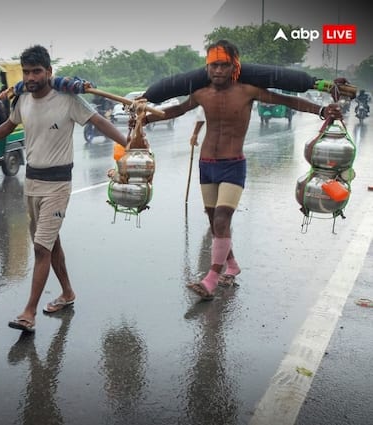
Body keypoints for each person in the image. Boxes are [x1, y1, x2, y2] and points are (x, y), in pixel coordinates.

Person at [142, 39, 343, 300]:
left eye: (224, 66)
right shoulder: (201, 93)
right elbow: (176, 110)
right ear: (207, 67)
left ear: (234, 67)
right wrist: (146, 116)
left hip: (233, 165)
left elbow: (288, 101)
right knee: (214, 222)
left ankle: (211, 279)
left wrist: (322, 110)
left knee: (223, 220)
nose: (217, 72)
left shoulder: (248, 90)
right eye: (213, 66)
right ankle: (233, 266)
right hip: (207, 165)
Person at [0, 45, 128, 332]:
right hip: (32, 183)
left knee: (41, 247)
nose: (30, 77)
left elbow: (100, 122)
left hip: (58, 185)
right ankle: (67, 292)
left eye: (36, 71)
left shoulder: (68, 99)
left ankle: (29, 312)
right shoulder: (23, 99)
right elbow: (7, 126)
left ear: (49, 72)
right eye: (26, 72)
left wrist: (130, 143)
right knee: (52, 244)